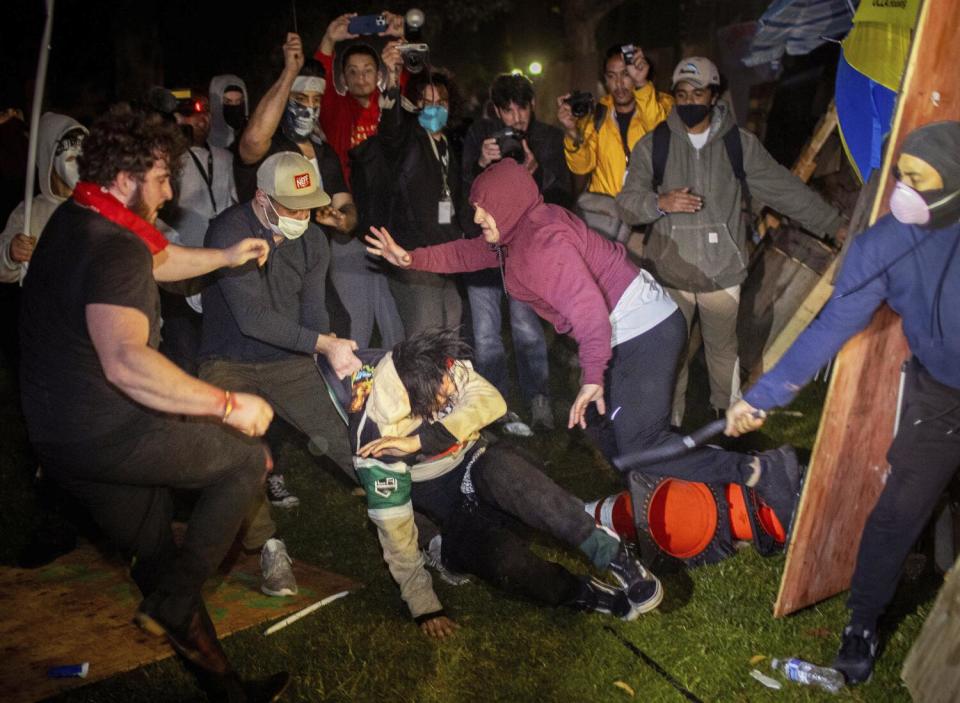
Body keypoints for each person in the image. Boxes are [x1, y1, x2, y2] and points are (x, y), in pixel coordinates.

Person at [365, 158, 803, 534]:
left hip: (643, 332)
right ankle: (661, 489)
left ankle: (759, 471)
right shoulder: (522, 229)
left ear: (507, 205)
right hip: (628, 330)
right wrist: (413, 258)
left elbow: (591, 313)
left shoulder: (542, 245)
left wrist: (592, 377)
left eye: (484, 210)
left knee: (640, 445)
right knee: (600, 426)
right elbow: (471, 253)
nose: (478, 218)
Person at [17, 104, 287, 699]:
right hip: (106, 430)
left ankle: (227, 690)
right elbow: (127, 360)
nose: (170, 192)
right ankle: (175, 596)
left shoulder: (79, 215)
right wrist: (225, 405)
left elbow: (160, 259)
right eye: (163, 178)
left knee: (158, 558)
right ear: (126, 179)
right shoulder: (114, 247)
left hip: (59, 440)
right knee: (243, 460)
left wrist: (223, 256)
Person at [726, 120, 960, 685]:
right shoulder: (883, 245)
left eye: (916, 180)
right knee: (898, 510)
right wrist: (764, 395)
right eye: (899, 174)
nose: (901, 189)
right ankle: (861, 622)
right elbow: (832, 324)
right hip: (940, 396)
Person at [321, 327, 662, 638]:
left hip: (478, 463)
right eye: (443, 393)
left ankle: (612, 555)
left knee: (512, 474)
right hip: (450, 511)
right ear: (417, 403)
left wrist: (424, 440)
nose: (453, 388)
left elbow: (491, 401)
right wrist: (424, 605)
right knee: (506, 563)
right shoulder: (374, 440)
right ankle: (583, 593)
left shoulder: (429, 363)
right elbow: (395, 536)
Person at [616, 57, 846, 425]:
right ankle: (668, 430)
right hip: (670, 274)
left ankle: (727, 424)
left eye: (698, 93)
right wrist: (659, 203)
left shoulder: (740, 146)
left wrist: (833, 225)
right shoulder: (653, 145)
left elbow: (784, 190)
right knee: (670, 356)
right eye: (681, 94)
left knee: (724, 354)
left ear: (714, 94)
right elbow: (627, 205)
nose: (689, 101)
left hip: (721, 273)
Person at [199, 150, 362, 597]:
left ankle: (423, 527)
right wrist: (320, 343)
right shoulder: (230, 230)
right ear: (262, 198)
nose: (301, 216)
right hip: (228, 359)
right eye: (291, 206)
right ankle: (269, 545)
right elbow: (251, 318)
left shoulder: (312, 240)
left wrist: (328, 349)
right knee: (241, 455)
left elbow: (313, 310)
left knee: (349, 435)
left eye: (308, 206)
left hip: (288, 358)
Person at [461, 72, 572, 434]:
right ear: (495, 111)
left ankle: (539, 398)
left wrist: (535, 171)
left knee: (527, 328)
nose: (517, 118)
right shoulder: (479, 136)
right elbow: (461, 190)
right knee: (486, 333)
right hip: (482, 250)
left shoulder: (547, 138)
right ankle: (497, 406)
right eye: (508, 111)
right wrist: (480, 163)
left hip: (524, 252)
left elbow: (562, 196)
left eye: (521, 108)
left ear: (532, 105)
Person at [377, 44, 464, 337]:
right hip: (411, 253)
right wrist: (391, 78)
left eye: (441, 101)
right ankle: (415, 384)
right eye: (427, 102)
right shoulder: (408, 141)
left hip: (444, 252)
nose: (435, 107)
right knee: (425, 331)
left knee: (452, 322)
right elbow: (389, 130)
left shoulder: (450, 146)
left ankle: (446, 384)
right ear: (414, 105)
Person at [160, 92, 238, 373]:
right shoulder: (169, 159)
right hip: (181, 262)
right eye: (193, 114)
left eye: (207, 114)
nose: (202, 120)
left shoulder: (225, 157)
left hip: (218, 264)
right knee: (184, 349)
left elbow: (234, 201)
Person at [558, 44, 672, 198]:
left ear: (639, 71)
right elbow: (582, 167)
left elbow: (661, 135)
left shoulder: (661, 104)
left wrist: (641, 85)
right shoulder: (596, 115)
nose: (619, 84)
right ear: (605, 80)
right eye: (611, 76)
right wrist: (572, 132)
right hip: (607, 214)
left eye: (625, 74)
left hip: (648, 209)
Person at [313, 11, 406, 180]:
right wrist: (328, 39)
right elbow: (318, 78)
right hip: (346, 201)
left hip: (390, 200)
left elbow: (412, 80)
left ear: (379, 76)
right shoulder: (335, 110)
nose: (360, 78)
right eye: (352, 71)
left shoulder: (392, 105)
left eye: (368, 70)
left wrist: (403, 37)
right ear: (343, 79)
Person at [1, 113, 87, 284]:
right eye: (70, 158)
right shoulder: (30, 212)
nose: (80, 164)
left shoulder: (101, 204)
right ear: (48, 159)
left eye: (84, 156)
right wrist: (11, 253)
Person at [208, 74, 248, 150]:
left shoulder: (250, 134)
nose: (234, 107)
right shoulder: (202, 138)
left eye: (239, 101)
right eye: (227, 101)